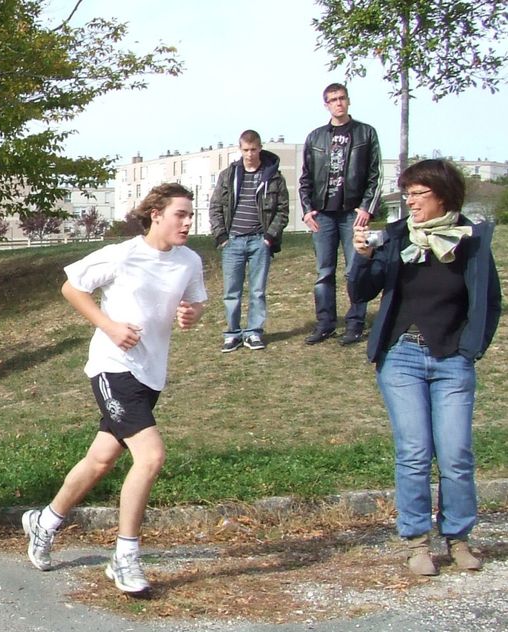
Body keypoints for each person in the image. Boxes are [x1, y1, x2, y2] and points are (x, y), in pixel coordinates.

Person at [21, 183, 207, 595]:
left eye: (191, 215)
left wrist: (191, 314)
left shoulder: (189, 261)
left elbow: (195, 305)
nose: (188, 222)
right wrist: (110, 326)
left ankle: (44, 522)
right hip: (112, 368)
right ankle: (125, 557)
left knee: (100, 460)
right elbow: (72, 287)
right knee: (151, 456)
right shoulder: (124, 254)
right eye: (181, 214)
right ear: (156, 214)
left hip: (150, 374)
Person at [349, 159, 501, 576]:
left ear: (444, 196)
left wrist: (471, 349)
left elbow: (489, 303)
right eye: (408, 193)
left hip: (452, 359)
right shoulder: (398, 237)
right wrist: (363, 257)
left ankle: (459, 537)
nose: (410, 201)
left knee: (455, 454)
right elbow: (362, 291)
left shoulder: (471, 239)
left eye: (419, 193)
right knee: (414, 452)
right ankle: (417, 541)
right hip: (402, 357)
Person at [299, 82, 381, 346]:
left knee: (355, 270)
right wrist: (306, 210)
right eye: (333, 99)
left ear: (348, 101)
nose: (338, 103)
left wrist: (367, 206)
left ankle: (355, 324)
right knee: (324, 272)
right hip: (323, 214)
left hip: (352, 214)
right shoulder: (315, 138)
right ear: (326, 104)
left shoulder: (366, 133)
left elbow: (375, 175)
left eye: (342, 98)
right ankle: (325, 324)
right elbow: (305, 179)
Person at [209, 129, 289, 352]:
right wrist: (222, 236)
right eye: (246, 150)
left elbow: (283, 211)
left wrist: (269, 238)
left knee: (257, 291)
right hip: (232, 241)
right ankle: (232, 334)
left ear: (260, 148)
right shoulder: (228, 175)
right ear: (240, 149)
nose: (250, 154)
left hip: (259, 242)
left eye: (254, 150)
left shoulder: (273, 176)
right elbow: (215, 207)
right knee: (231, 292)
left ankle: (254, 332)